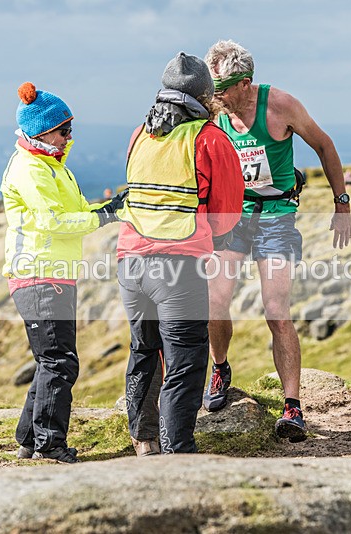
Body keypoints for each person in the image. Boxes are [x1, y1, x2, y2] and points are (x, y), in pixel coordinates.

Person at [202, 40, 351, 442]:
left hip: (276, 216)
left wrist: (342, 204)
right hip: (231, 216)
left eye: (220, 89)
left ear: (245, 83)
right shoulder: (213, 112)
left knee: (276, 310)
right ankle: (219, 368)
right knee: (215, 300)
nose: (214, 97)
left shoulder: (279, 105)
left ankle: (292, 406)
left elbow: (324, 144)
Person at [114, 52, 243, 455]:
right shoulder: (209, 138)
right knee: (186, 360)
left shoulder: (139, 134)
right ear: (205, 96)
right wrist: (214, 237)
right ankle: (177, 451)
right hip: (177, 267)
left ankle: (145, 440)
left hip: (129, 261)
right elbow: (226, 213)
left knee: (143, 351)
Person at [1, 82, 125, 463]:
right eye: (63, 129)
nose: (70, 136)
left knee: (49, 360)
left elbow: (74, 212)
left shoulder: (52, 166)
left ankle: (28, 439)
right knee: (59, 361)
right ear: (41, 132)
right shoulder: (32, 169)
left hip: (53, 274)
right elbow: (54, 221)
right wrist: (105, 215)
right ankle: (50, 446)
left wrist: (106, 206)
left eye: (71, 127)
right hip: (39, 274)